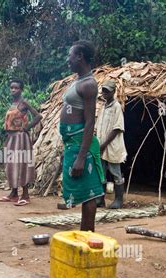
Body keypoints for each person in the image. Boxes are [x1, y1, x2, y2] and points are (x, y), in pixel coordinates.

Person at [59, 40, 105, 232]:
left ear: (80, 56)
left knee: (89, 194)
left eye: (70, 55)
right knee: (85, 192)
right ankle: (85, 233)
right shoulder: (77, 81)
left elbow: (89, 123)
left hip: (81, 145)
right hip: (73, 143)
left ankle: (88, 234)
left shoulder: (88, 85)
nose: (67, 59)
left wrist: (80, 157)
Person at [0, 79, 42, 206]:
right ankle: (14, 193)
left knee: (22, 163)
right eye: (11, 87)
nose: (13, 90)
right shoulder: (12, 104)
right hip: (11, 138)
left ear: (21, 90)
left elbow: (38, 116)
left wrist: (27, 128)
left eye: (16, 88)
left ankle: (26, 195)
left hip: (21, 138)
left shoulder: (24, 103)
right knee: (11, 164)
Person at [95, 80, 127, 209]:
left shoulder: (116, 107)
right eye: (103, 91)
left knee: (115, 172)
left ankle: (119, 199)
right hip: (101, 146)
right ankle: (100, 199)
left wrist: (105, 144)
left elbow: (117, 128)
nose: (104, 93)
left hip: (112, 146)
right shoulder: (103, 107)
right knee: (101, 172)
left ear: (113, 92)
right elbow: (99, 127)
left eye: (107, 91)